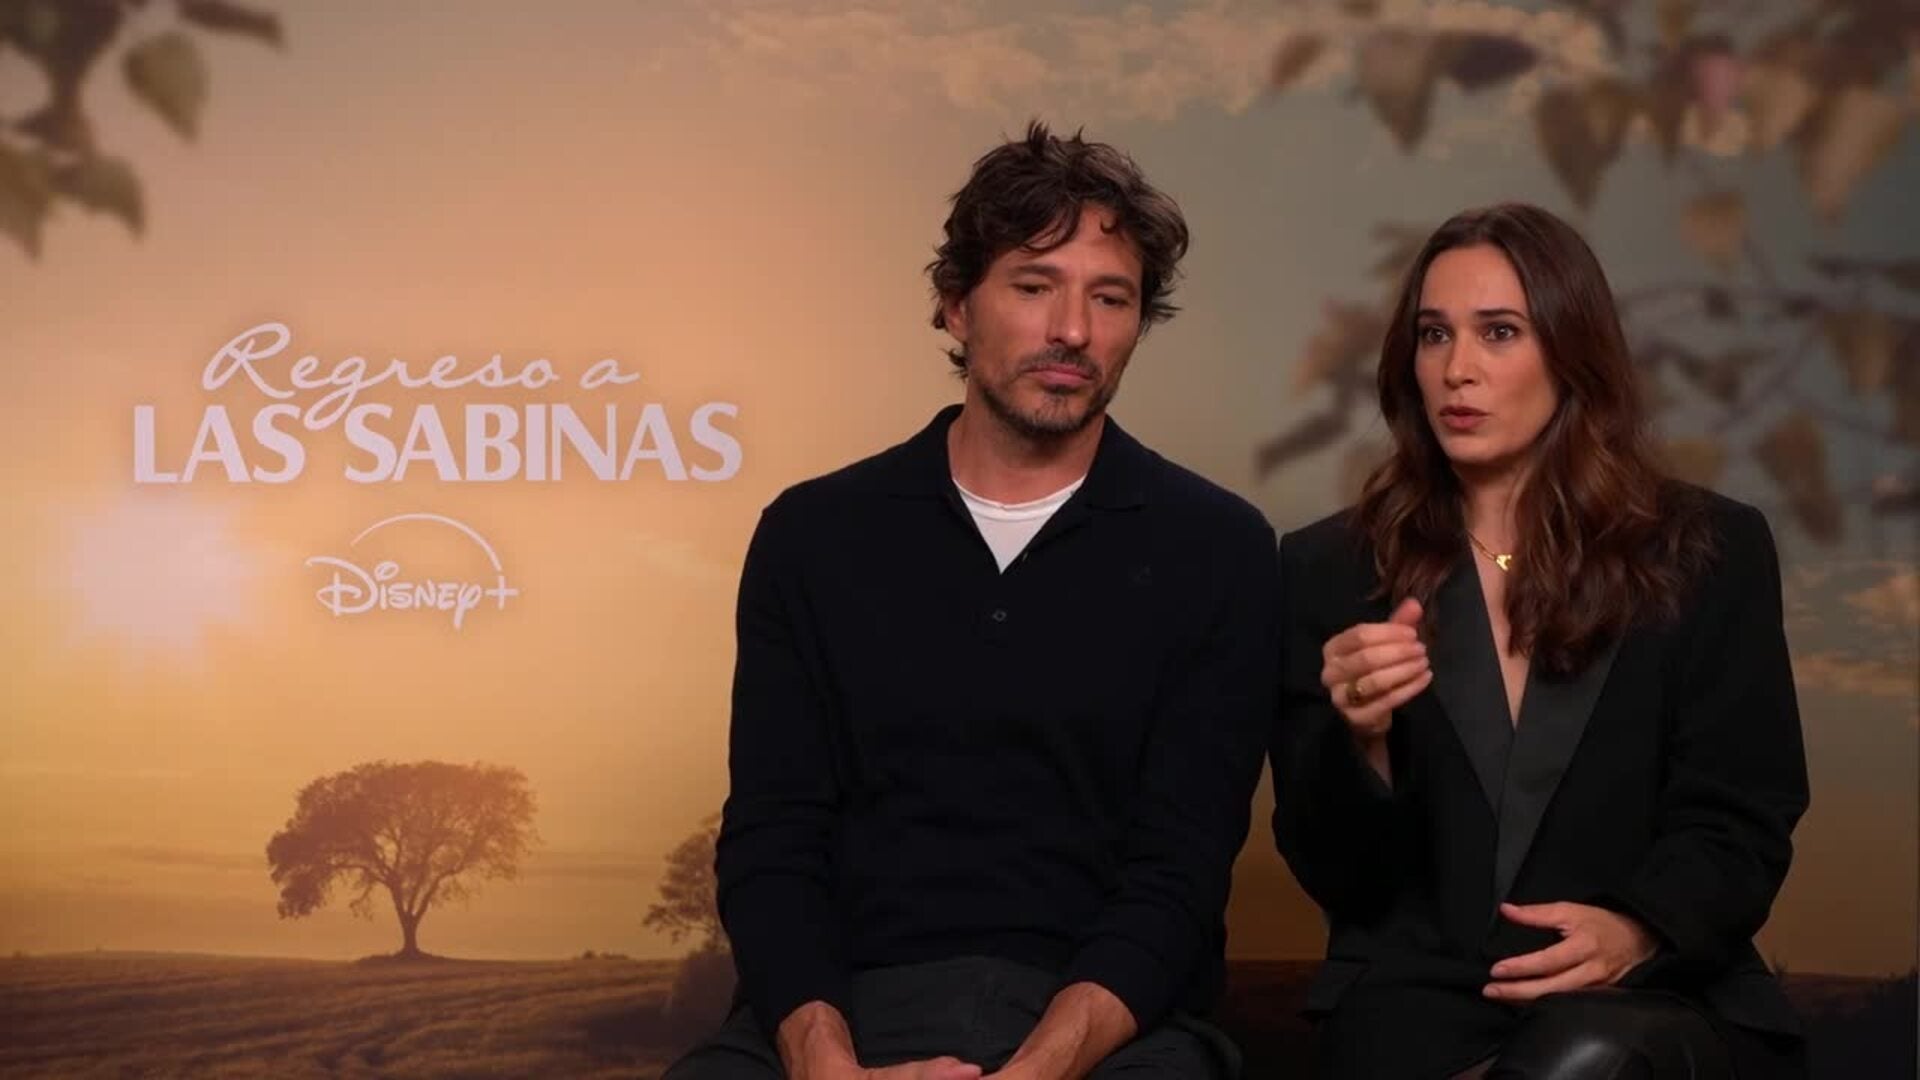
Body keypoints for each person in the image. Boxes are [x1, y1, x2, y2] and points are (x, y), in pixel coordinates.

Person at [663, 122, 1280, 1080]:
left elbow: (1179, 872)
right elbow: (773, 843)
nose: (1072, 330)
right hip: (846, 1012)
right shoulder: (812, 535)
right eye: (1034, 287)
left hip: (1105, 1028)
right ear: (957, 305)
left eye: (1110, 297)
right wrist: (828, 1067)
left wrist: (1035, 1072)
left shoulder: (1220, 548)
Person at [1269, 203, 1809, 1080]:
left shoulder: (1709, 548)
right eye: (1434, 334)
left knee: (1585, 1058)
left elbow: (1743, 814)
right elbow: (1336, 873)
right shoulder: (1328, 567)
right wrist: (1362, 741)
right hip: (1420, 1007)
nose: (1458, 368)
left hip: (1655, 994)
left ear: (1571, 350)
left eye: (1499, 332)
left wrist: (1638, 929)